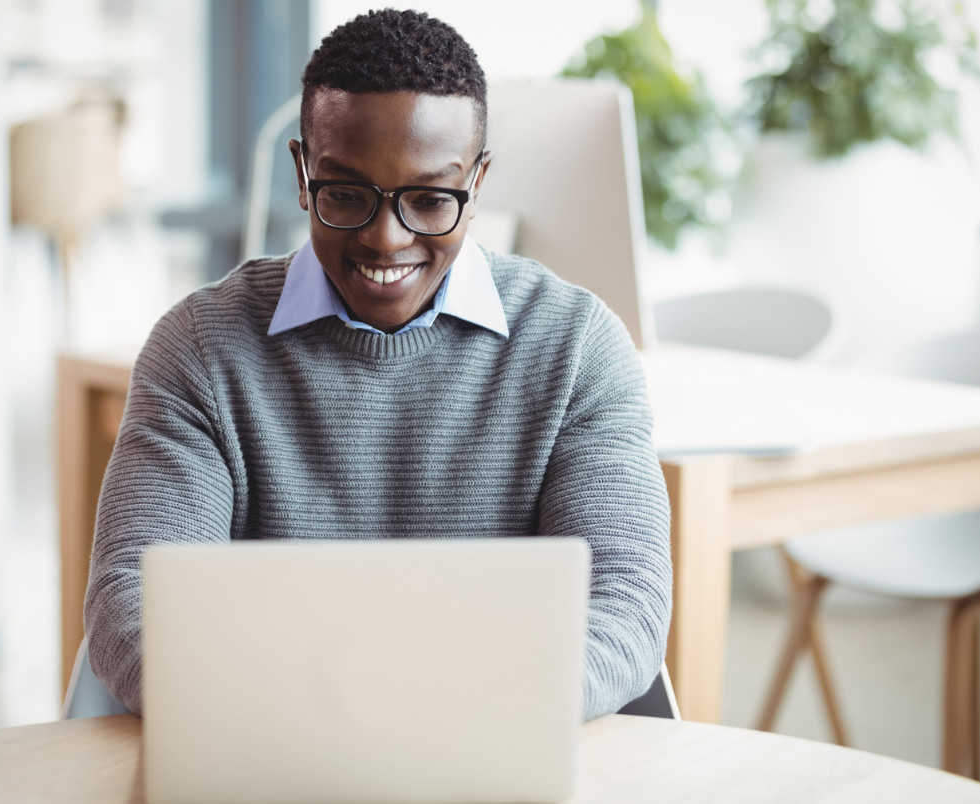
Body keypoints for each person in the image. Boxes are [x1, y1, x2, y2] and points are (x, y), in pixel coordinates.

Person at [84, 8, 671, 721]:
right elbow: (134, 599)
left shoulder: (577, 349)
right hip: (268, 752)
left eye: (430, 199)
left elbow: (625, 603)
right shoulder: (200, 350)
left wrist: (463, 716)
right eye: (347, 194)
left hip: (495, 748)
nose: (386, 239)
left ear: (478, 185)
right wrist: (324, 721)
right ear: (303, 175)